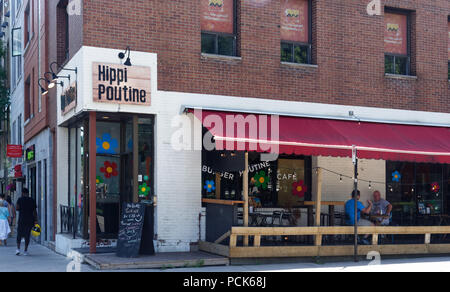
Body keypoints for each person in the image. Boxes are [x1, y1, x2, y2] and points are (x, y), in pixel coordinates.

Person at [15, 188, 37, 256]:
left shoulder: (20, 199)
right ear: (28, 193)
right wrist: (36, 220)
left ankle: (18, 249)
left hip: (22, 220)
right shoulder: (32, 200)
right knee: (27, 235)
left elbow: (17, 208)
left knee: (19, 235)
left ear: (22, 193)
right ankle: (25, 251)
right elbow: (34, 211)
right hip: (30, 220)